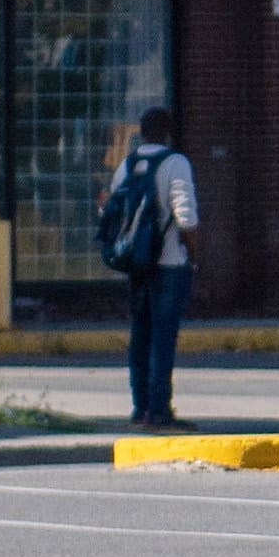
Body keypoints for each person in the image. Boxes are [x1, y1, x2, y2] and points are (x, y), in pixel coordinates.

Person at [110, 106, 199, 429]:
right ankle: (160, 409)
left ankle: (140, 406)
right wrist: (194, 255)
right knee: (163, 336)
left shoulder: (127, 165)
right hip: (170, 263)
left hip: (137, 263)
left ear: (142, 132)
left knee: (140, 334)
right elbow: (187, 218)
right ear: (168, 131)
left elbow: (114, 212)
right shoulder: (176, 163)